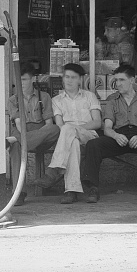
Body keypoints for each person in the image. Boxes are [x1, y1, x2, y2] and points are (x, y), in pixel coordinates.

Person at [79, 63, 137, 203]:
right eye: (116, 80)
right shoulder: (112, 102)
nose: (118, 84)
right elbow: (107, 128)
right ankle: (93, 188)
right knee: (93, 145)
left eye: (122, 80)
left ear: (132, 80)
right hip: (119, 137)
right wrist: (116, 135)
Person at [37, 62, 103, 203]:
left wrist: (77, 129)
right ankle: (71, 190)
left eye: (73, 77)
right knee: (72, 142)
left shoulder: (89, 96)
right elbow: (60, 125)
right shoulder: (56, 100)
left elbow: (97, 122)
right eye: (66, 76)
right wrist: (72, 131)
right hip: (67, 138)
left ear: (80, 79)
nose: (69, 80)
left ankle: (55, 169)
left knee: (68, 129)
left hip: (89, 135)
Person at [6, 65, 60, 205]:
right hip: (23, 131)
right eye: (19, 80)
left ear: (33, 79)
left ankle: (14, 140)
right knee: (16, 147)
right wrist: (25, 137)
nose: (21, 83)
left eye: (24, 79)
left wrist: (37, 136)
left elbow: (48, 123)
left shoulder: (44, 96)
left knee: (55, 129)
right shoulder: (13, 100)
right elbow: (19, 124)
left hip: (42, 133)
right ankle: (19, 193)